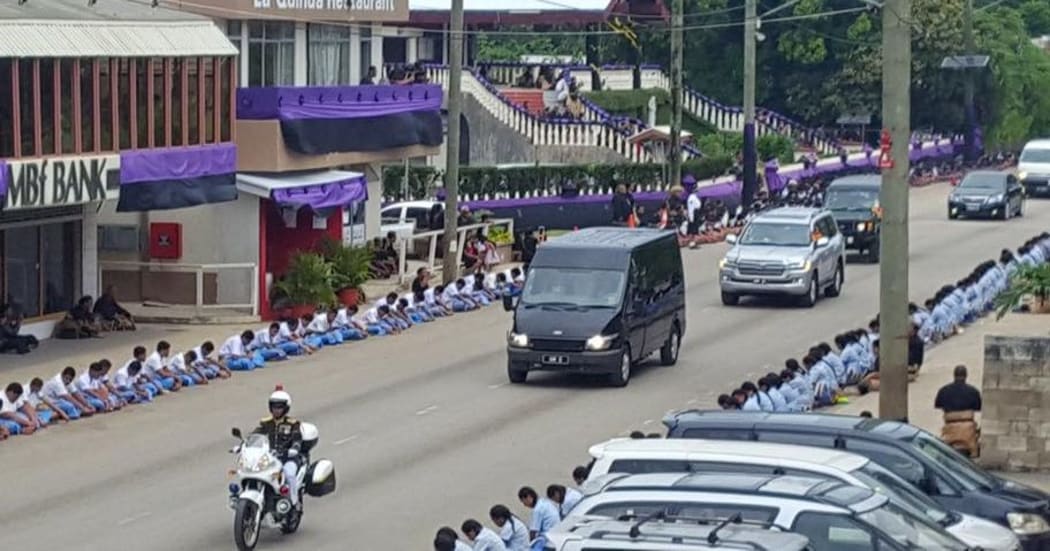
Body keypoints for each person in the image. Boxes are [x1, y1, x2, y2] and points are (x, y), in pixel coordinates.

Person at [252, 387, 304, 510]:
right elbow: (255, 435)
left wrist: (294, 449)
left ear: (286, 408)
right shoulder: (266, 422)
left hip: (287, 458)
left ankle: (294, 502)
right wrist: (244, 444)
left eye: (279, 407)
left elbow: (297, 438)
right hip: (269, 458)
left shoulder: (292, 423)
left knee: (289, 474)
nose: (276, 410)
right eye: (274, 406)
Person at [935, 365, 982, 457]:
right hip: (968, 426)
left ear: (954, 375)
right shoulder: (973, 391)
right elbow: (978, 407)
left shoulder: (943, 390)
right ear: (966, 376)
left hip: (949, 425)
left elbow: (938, 405)